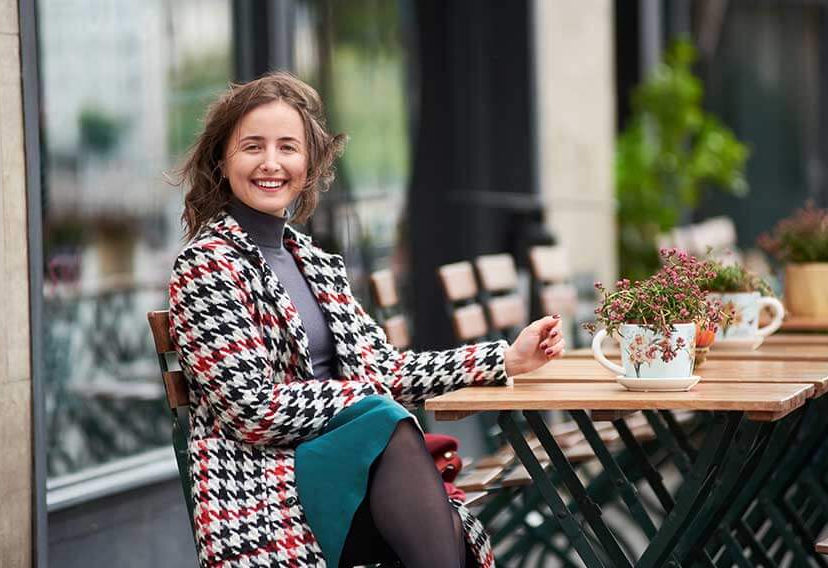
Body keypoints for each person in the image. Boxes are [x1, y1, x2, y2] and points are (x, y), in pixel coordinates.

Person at [168, 71, 565, 568]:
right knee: (389, 427)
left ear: (309, 163)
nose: (271, 163)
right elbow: (252, 411)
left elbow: (386, 371)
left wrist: (505, 357)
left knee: (395, 442)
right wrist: (365, 400)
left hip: (347, 480)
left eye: (287, 147)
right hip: (266, 495)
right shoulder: (206, 265)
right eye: (252, 147)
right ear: (222, 160)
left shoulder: (313, 262)